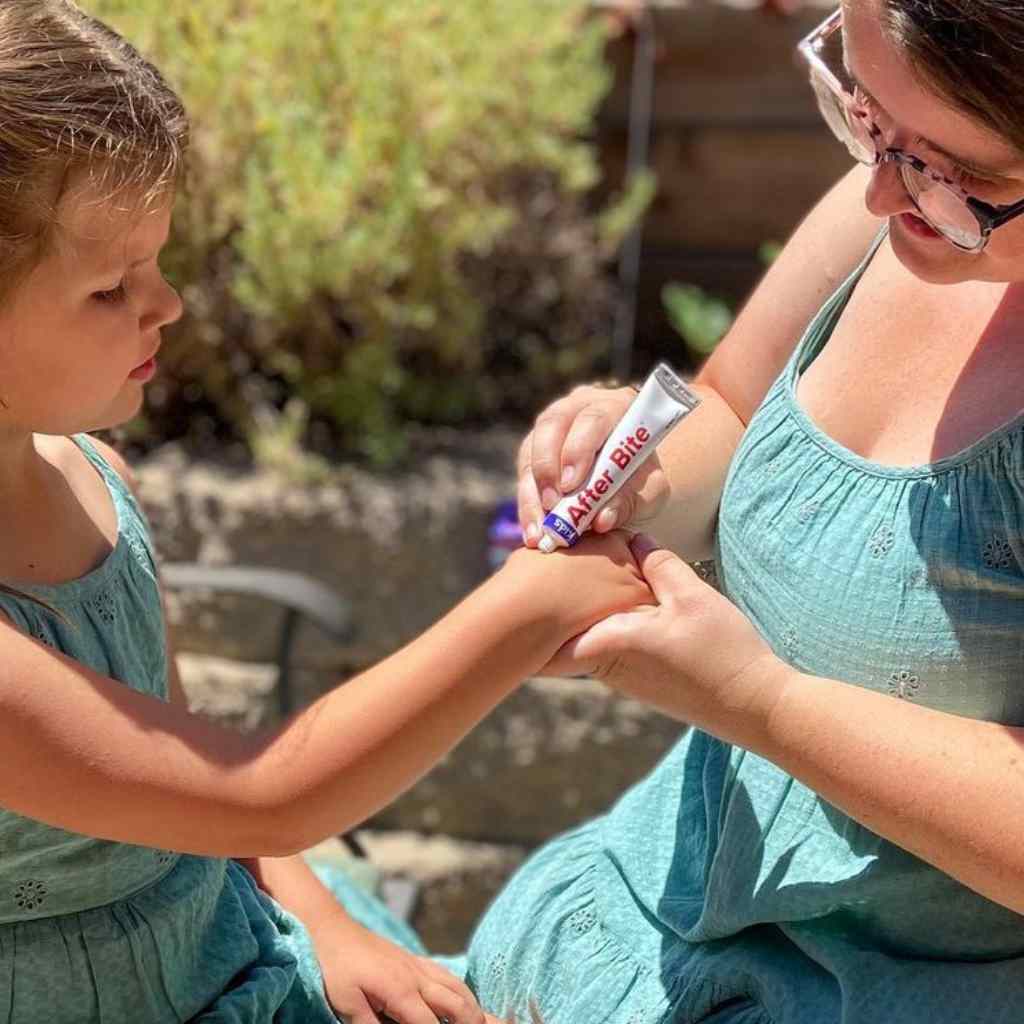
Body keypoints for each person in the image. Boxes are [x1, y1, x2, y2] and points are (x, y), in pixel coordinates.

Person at [0, 3, 655, 1022]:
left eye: (160, 261)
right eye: (110, 288)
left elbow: (194, 784)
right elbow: (252, 788)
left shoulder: (94, 479)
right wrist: (527, 608)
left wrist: (323, 921)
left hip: (223, 942)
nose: (167, 305)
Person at [450, 1, 1024, 1021]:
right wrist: (631, 466)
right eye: (860, 116)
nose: (882, 188)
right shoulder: (889, 207)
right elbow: (729, 403)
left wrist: (759, 703)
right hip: (640, 916)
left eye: (955, 176)